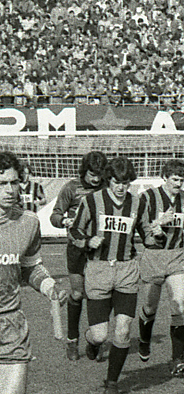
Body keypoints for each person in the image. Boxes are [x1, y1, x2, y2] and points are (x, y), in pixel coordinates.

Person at [0, 151, 67, 394]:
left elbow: (30, 268)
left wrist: (50, 286)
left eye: (14, 182)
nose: (10, 189)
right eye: (2, 183)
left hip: (10, 325)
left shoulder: (27, 223)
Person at [69, 156, 141, 394]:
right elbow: (74, 230)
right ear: (108, 180)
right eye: (116, 182)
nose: (121, 187)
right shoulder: (92, 201)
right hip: (99, 271)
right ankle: (92, 341)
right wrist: (88, 241)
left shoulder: (137, 203)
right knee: (100, 334)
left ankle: (112, 383)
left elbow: (147, 234)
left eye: (125, 183)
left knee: (123, 329)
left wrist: (157, 232)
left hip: (127, 270)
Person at [135, 159, 184, 375]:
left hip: (177, 255)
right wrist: (158, 224)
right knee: (150, 308)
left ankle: (178, 359)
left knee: (179, 306)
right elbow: (140, 227)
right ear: (164, 177)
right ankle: (144, 339)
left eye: (182, 180)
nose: (178, 184)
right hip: (153, 256)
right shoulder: (148, 197)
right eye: (175, 179)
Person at [50, 151, 106, 361]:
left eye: (99, 175)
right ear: (84, 171)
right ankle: (72, 340)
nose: (96, 179)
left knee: (97, 295)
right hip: (76, 248)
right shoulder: (71, 188)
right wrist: (64, 221)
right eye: (92, 174)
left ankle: (95, 339)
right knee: (77, 294)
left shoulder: (106, 188)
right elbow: (55, 215)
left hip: (99, 248)